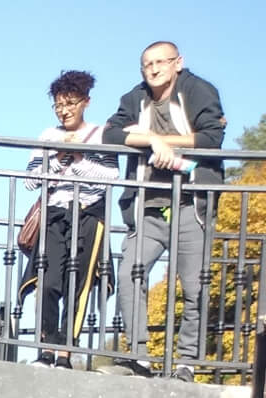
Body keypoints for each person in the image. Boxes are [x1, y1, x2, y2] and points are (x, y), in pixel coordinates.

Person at [102, 42, 226, 378]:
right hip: (148, 207)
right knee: (130, 274)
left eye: (161, 62)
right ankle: (139, 358)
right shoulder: (135, 98)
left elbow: (212, 138)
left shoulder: (198, 90)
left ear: (178, 63)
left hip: (191, 205)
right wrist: (152, 141)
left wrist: (162, 142)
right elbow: (109, 135)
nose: (154, 69)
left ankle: (186, 363)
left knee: (195, 286)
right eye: (148, 64)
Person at [25, 70, 118, 366]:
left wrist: (79, 158)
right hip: (54, 214)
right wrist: (56, 158)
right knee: (48, 281)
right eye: (58, 105)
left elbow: (111, 176)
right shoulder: (48, 136)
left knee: (77, 285)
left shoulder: (101, 135)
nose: (64, 111)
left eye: (70, 103)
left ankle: (66, 351)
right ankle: (46, 347)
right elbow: (30, 180)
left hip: (88, 214)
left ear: (86, 102)